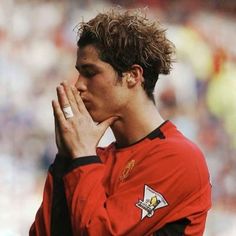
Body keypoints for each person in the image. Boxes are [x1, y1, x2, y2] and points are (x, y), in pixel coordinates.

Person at [30, 8, 211, 236]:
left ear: (132, 76)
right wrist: (65, 159)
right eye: (79, 73)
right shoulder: (93, 160)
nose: (78, 85)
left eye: (90, 72)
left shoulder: (181, 158)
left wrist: (82, 157)